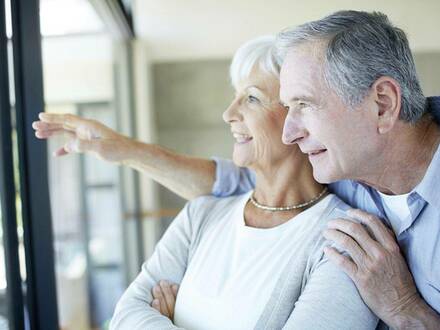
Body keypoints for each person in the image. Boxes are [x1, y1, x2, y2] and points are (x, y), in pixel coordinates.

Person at [33, 10, 440, 329]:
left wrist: (405, 309)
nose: (293, 131)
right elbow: (233, 184)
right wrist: (122, 150)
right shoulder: (348, 170)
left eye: (303, 104)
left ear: (383, 105)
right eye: (289, 105)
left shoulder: (348, 235)